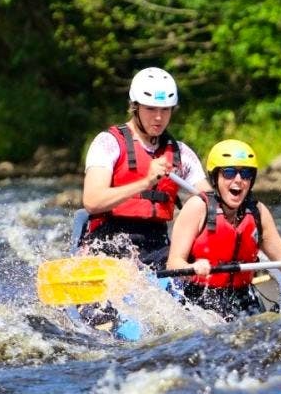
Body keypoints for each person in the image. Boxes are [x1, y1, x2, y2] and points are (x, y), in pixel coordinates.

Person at [77, 67, 211, 333]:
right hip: (109, 242)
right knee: (110, 321)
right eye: (151, 109)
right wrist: (145, 182)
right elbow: (91, 201)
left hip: (158, 245)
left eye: (166, 110)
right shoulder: (108, 143)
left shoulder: (181, 152)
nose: (159, 117)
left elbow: (209, 201)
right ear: (134, 107)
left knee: (190, 314)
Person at [167, 139, 281, 321]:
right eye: (229, 172)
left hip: (243, 298)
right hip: (199, 298)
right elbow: (174, 263)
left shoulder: (258, 212)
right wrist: (192, 268)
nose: (238, 180)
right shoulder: (197, 208)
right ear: (215, 177)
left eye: (245, 174)